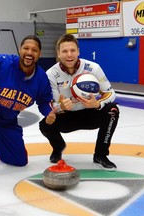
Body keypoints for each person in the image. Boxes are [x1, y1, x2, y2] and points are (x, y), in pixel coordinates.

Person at [0, 8, 56, 178]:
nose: (29, 52)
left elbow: (44, 102)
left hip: (6, 119)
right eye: (26, 48)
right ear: (20, 50)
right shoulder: (4, 63)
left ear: (39, 54)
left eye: (34, 50)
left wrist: (49, 113)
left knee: (19, 160)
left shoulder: (41, 78)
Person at [39, 33, 120, 171]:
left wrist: (98, 104)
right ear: (58, 53)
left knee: (112, 110)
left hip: (90, 113)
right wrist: (61, 107)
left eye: (72, 50)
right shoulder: (51, 74)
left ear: (78, 51)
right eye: (64, 51)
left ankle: (100, 155)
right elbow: (52, 104)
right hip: (67, 116)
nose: (69, 55)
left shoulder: (93, 68)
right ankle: (58, 147)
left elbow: (111, 93)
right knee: (45, 124)